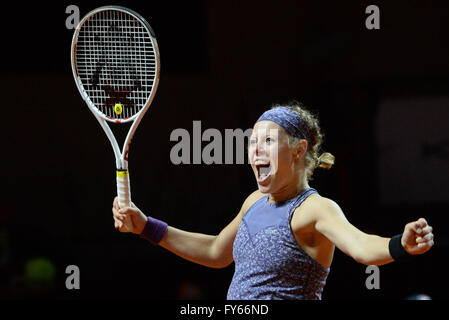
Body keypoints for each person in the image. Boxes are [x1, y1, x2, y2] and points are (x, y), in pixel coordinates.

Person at [112, 102, 435, 300]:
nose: (256, 150)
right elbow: (215, 252)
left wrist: (400, 245)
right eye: (252, 142)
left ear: (298, 150)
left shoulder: (314, 209)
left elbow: (363, 248)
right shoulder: (254, 201)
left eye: (267, 140)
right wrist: (146, 227)